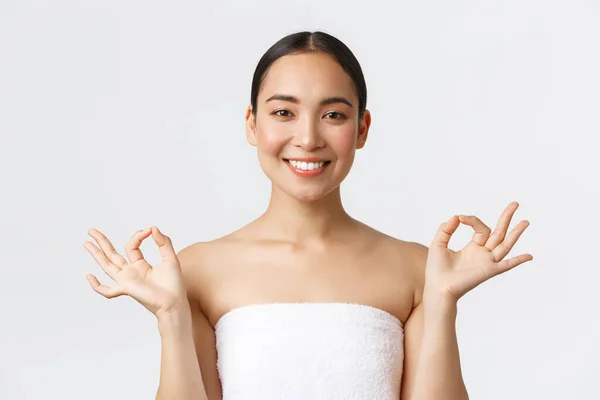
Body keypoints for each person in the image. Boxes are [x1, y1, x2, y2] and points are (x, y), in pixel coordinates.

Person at [83, 31, 533, 400]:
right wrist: (170, 315)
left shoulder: (417, 269)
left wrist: (442, 300)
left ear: (361, 129)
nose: (308, 137)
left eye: (333, 114)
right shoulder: (196, 271)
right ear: (251, 124)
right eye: (283, 112)